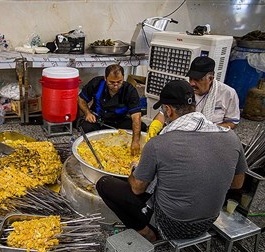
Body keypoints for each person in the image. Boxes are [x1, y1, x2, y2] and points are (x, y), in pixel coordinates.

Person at [96, 80, 247, 242]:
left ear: (167, 110)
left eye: (163, 109)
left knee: (105, 184)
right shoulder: (231, 137)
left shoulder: (158, 144)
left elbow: (137, 189)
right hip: (209, 221)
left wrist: (135, 169)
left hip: (172, 226)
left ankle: (147, 232)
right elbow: (237, 184)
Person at [146, 56, 240, 142]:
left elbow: (232, 122)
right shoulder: (184, 89)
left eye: (197, 80)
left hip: (212, 139)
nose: (192, 83)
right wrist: (155, 126)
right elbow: (165, 111)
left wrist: (206, 130)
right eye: (191, 78)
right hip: (181, 137)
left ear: (210, 78)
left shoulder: (228, 93)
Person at [77, 64, 145, 155]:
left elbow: (136, 117)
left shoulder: (130, 90)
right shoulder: (96, 83)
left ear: (123, 78)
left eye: (119, 82)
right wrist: (87, 113)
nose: (116, 85)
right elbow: (81, 99)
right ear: (105, 78)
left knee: (142, 128)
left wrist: (135, 141)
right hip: (98, 119)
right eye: (112, 82)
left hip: (119, 121)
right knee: (86, 127)